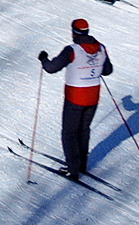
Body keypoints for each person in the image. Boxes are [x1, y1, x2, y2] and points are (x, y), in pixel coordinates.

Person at [37, 18, 112, 180]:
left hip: (75, 97)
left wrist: (43, 59)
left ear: (74, 32)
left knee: (69, 133)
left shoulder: (72, 50)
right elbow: (108, 70)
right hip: (93, 97)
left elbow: (51, 68)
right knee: (83, 130)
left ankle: (73, 169)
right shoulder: (101, 48)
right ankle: (82, 164)